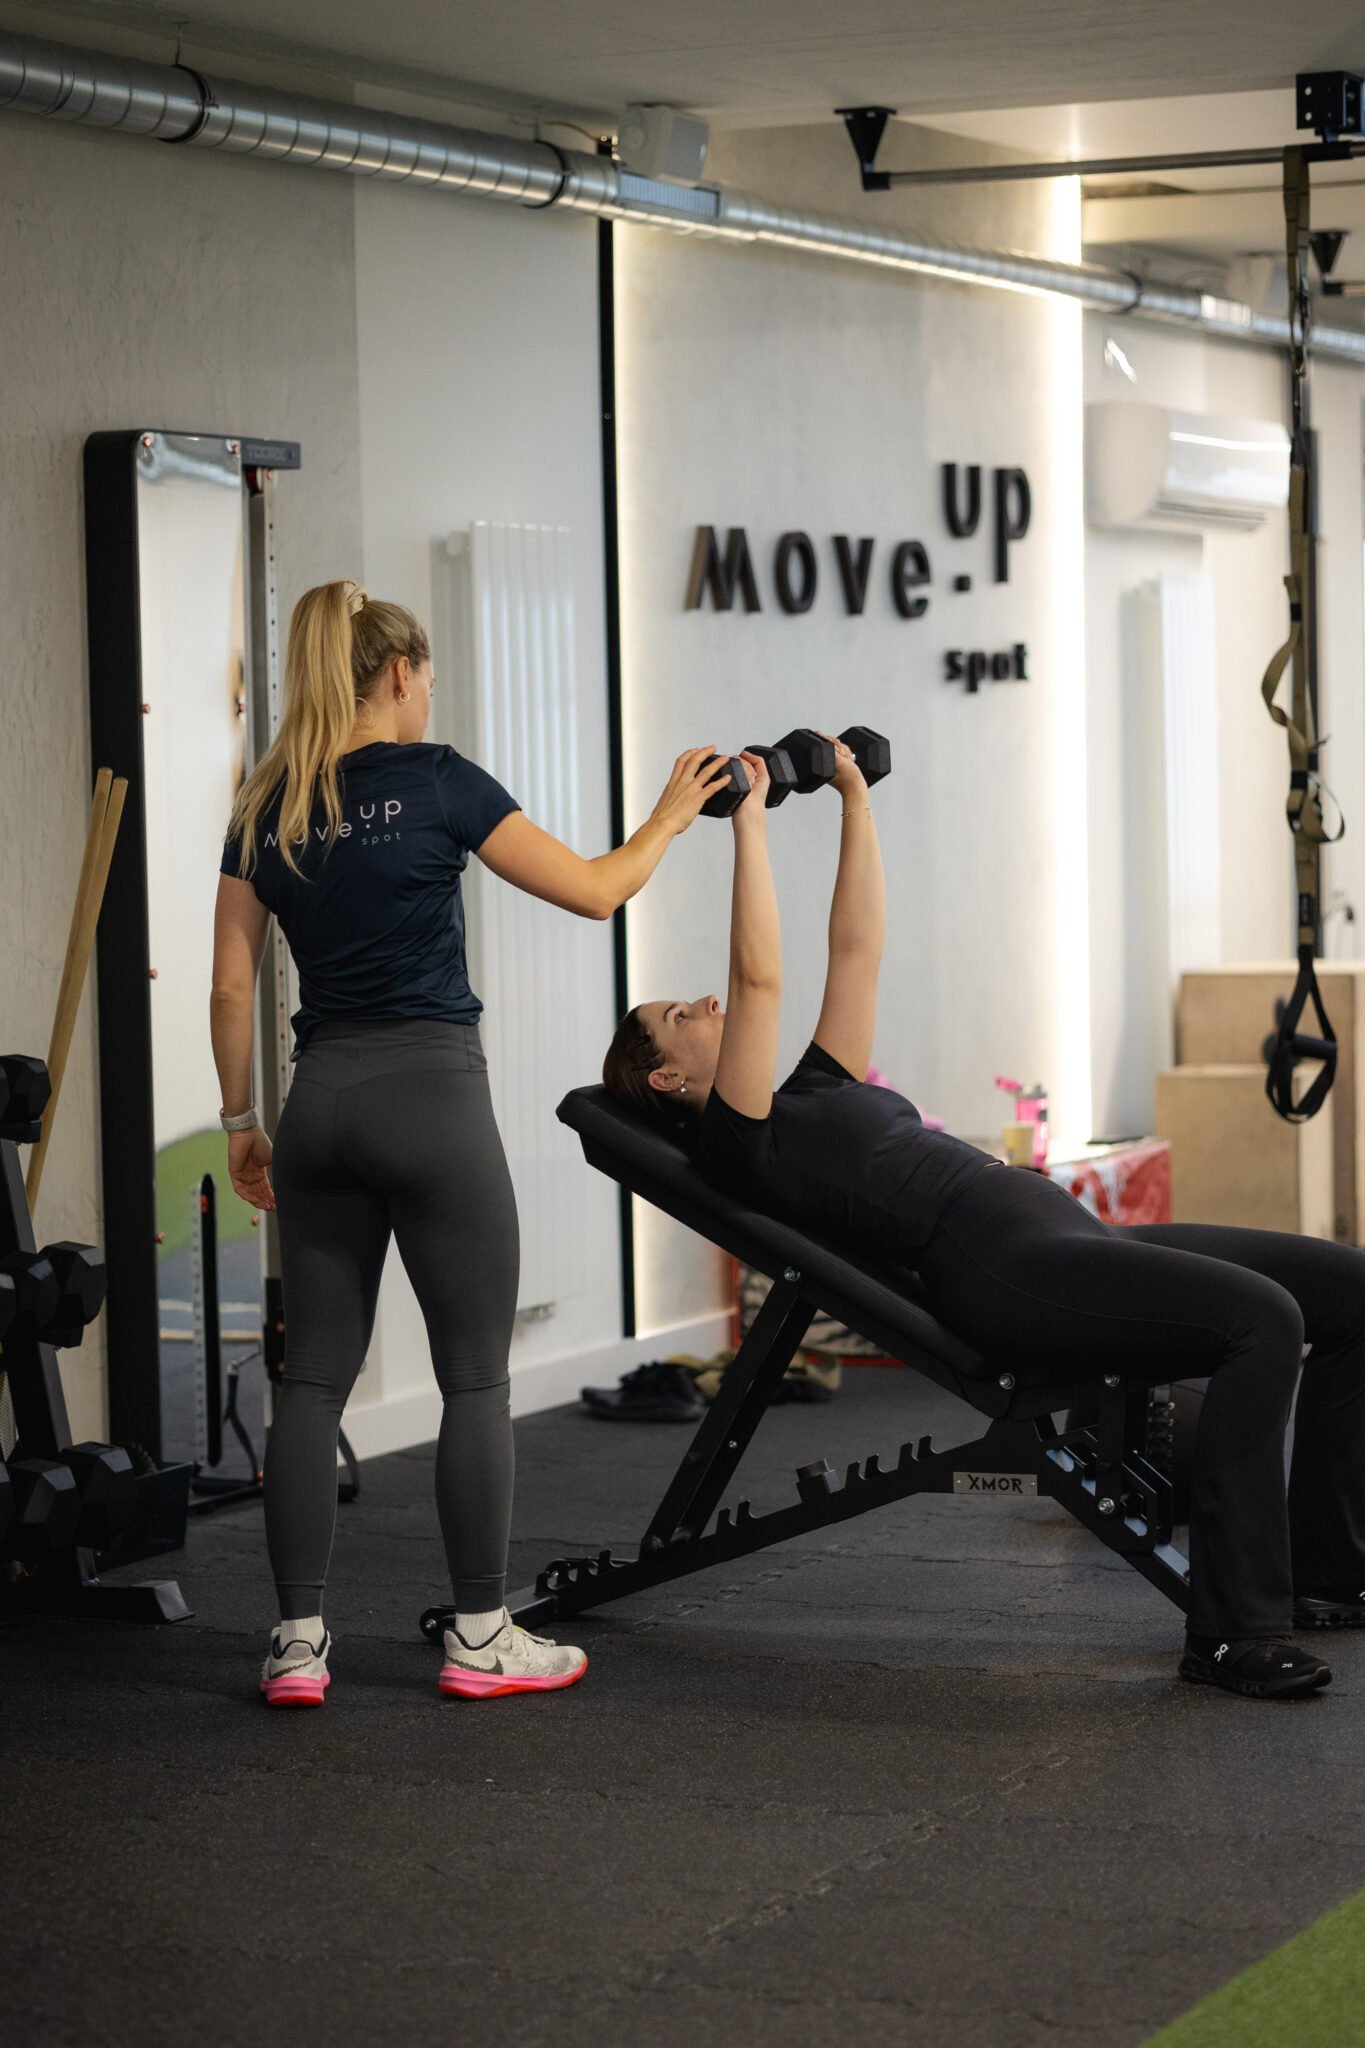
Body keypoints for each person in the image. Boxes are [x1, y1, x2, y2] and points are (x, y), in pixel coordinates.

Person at [602, 738, 1365, 1702]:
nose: (704, 1001)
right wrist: (747, 820)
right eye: (679, 1013)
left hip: (1067, 1234)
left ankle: (1332, 1578)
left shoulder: (814, 1087)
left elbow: (856, 949)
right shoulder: (737, 1140)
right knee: (1265, 1322)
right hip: (1005, 1267)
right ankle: (1229, 1630)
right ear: (669, 1078)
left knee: (1346, 1290)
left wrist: (851, 799)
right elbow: (757, 981)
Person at [212, 578, 730, 1706]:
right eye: (429, 674)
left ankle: (296, 1641)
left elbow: (229, 984)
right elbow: (597, 892)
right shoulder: (438, 778)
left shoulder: (266, 803)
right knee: (475, 1380)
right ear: (398, 674)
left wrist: (244, 1122)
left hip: (319, 1103)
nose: (430, 689)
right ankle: (483, 1633)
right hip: (432, 1101)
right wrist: (670, 817)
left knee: (311, 1384)